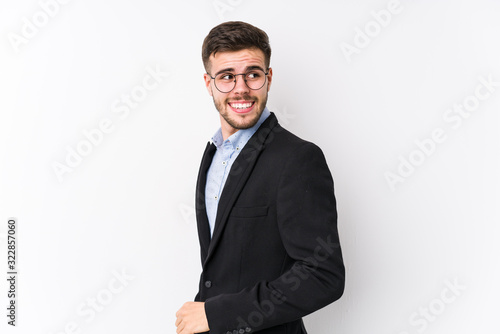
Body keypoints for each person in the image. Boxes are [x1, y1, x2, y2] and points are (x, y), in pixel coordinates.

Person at [175, 21, 345, 334]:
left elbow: (324, 275)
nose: (240, 88)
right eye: (227, 77)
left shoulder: (297, 159)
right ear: (208, 83)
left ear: (268, 78)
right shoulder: (212, 154)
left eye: (252, 75)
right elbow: (223, 268)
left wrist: (216, 314)